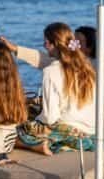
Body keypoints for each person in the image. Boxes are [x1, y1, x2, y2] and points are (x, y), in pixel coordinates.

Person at [16, 22, 96, 155]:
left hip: (69, 131)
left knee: (20, 129)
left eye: (45, 42)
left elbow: (50, 117)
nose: (44, 46)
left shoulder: (51, 71)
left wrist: (34, 120)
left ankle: (39, 146)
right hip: (92, 130)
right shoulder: (87, 68)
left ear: (52, 44)